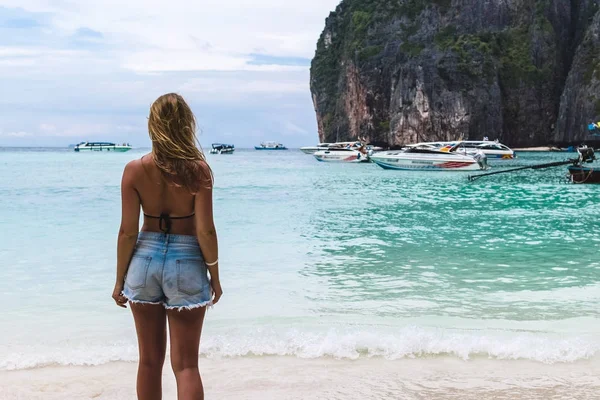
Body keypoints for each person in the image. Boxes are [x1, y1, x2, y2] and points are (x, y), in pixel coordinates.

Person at [112, 93, 223, 400]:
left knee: (148, 361)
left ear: (153, 126)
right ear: (186, 125)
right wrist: (214, 274)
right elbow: (206, 230)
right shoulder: (198, 171)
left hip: (143, 261)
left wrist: (120, 279)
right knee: (186, 366)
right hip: (186, 261)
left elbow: (126, 233)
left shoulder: (134, 170)